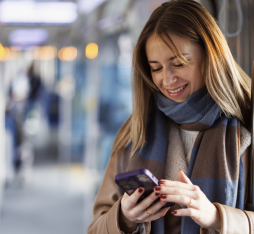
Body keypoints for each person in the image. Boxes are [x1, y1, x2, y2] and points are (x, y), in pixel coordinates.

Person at [88, 0, 253, 233]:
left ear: (210, 56)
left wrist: (217, 217)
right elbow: (95, 227)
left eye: (178, 63)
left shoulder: (247, 123)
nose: (167, 80)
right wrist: (124, 218)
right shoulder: (136, 129)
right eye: (156, 68)